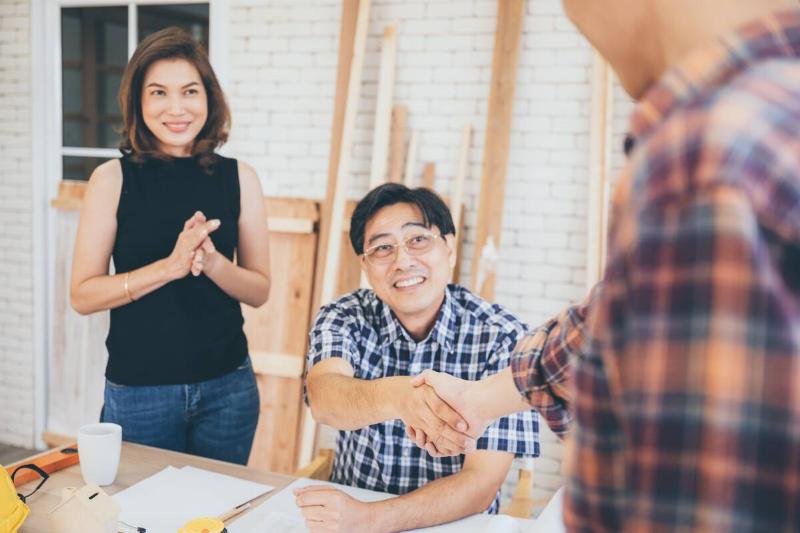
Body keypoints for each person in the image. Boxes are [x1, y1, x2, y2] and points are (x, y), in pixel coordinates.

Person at [413, 1, 800, 530]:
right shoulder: (773, 112)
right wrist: (477, 401)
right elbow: (611, 318)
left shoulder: (704, 156)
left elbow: (692, 506)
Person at [70, 27, 271, 465]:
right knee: (146, 517)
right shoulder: (111, 180)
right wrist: (169, 267)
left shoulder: (241, 178)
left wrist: (214, 263)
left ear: (209, 99)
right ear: (138, 103)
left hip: (229, 388)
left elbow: (259, 291)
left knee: (217, 516)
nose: (176, 108)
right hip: (141, 392)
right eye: (159, 92)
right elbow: (83, 295)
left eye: (190, 91)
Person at [294, 184, 539, 532]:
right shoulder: (344, 316)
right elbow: (324, 399)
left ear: (450, 248)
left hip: (449, 524)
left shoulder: (504, 336)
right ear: (364, 265)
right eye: (382, 248)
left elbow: (480, 484)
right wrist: (399, 397)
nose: (403, 261)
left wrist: (368, 519)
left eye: (418, 240)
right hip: (348, 513)